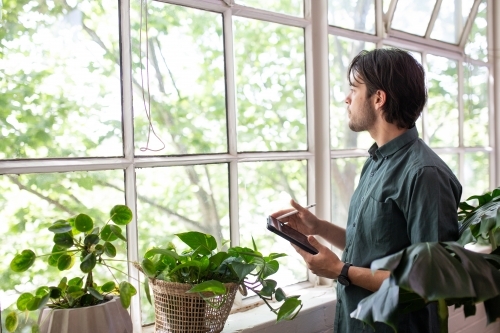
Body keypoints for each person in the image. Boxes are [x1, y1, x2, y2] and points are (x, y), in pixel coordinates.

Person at [271, 48, 462, 333]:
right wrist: (318, 226)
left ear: (378, 98)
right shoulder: (375, 162)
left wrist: (339, 270)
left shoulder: (425, 175)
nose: (346, 98)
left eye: (353, 89)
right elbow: (374, 248)